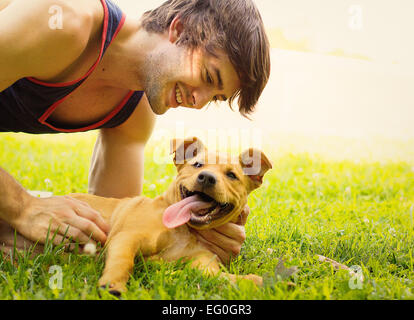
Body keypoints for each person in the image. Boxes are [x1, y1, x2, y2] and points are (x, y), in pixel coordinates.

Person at [0, 0, 270, 264]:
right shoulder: (64, 20)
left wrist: (195, 233)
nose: (198, 102)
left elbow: (107, 227)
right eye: (208, 77)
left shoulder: (135, 111)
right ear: (179, 30)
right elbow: (23, 212)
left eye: (214, 98)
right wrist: (23, 207)